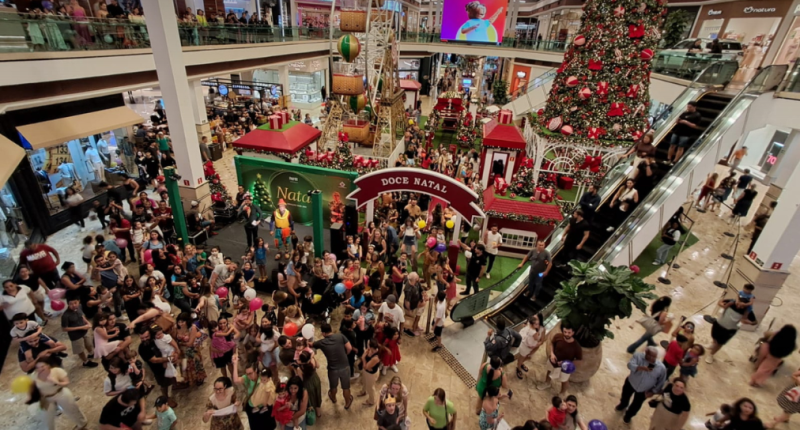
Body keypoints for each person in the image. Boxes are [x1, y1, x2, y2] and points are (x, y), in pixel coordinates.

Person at [28, 355, 88, 430]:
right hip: (46, 398)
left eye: (42, 366)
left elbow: (66, 383)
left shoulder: (57, 371)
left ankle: (82, 423)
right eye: (38, 367)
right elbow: (34, 388)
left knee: (72, 409)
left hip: (60, 393)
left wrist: (56, 382)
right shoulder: (34, 376)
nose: (40, 369)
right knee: (47, 417)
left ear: (48, 365)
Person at [615, 347, 667, 424]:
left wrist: (653, 392)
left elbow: (661, 381)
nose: (651, 358)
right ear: (645, 352)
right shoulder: (638, 356)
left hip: (644, 390)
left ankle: (629, 415)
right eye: (649, 355)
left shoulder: (661, 368)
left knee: (636, 404)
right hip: (631, 382)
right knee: (625, 396)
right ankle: (623, 404)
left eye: (653, 357)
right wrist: (640, 368)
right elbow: (630, 365)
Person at [312, 322, 354, 409]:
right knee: (346, 387)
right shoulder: (340, 336)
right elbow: (349, 348)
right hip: (345, 367)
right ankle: (347, 403)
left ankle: (333, 398)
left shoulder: (322, 342)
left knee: (333, 386)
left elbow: (311, 344)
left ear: (323, 333)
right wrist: (345, 354)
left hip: (333, 369)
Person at [538, 324, 582, 394]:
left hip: (565, 367)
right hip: (553, 361)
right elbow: (552, 344)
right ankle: (547, 383)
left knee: (564, 380)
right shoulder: (558, 336)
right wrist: (552, 354)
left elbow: (578, 360)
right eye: (565, 332)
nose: (566, 334)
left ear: (573, 333)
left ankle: (562, 393)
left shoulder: (576, 346)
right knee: (549, 371)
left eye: (569, 332)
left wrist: (566, 363)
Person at [706, 295, 750, 364]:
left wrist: (747, 322)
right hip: (718, 323)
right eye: (738, 304)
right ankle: (713, 344)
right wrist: (722, 305)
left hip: (729, 330)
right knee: (714, 336)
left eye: (742, 306)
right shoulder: (731, 302)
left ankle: (711, 355)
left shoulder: (747, 311)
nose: (739, 306)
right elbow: (720, 302)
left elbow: (754, 322)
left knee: (720, 343)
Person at [61, 292, 98, 367]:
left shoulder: (79, 307)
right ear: (68, 304)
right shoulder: (65, 316)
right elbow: (64, 328)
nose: (74, 305)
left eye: (75, 303)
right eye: (71, 304)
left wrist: (87, 322)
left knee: (89, 344)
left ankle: (91, 353)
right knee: (80, 350)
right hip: (75, 336)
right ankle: (85, 362)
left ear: (79, 302)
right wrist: (81, 327)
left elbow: (81, 316)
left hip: (84, 331)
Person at [515, 313, 546, 380]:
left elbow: (542, 340)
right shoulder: (530, 325)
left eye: (536, 319)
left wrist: (535, 346)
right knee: (522, 357)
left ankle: (521, 363)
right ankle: (518, 367)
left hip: (533, 347)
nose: (534, 320)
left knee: (528, 357)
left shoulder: (542, 329)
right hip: (526, 345)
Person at [402, 272, 425, 337]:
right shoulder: (408, 289)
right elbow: (407, 301)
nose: (418, 278)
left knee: (417, 317)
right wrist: (409, 310)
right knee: (411, 319)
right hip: (411, 307)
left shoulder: (416, 282)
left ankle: (416, 326)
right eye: (417, 277)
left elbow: (420, 288)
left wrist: (423, 293)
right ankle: (410, 330)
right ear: (414, 279)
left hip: (417, 304)